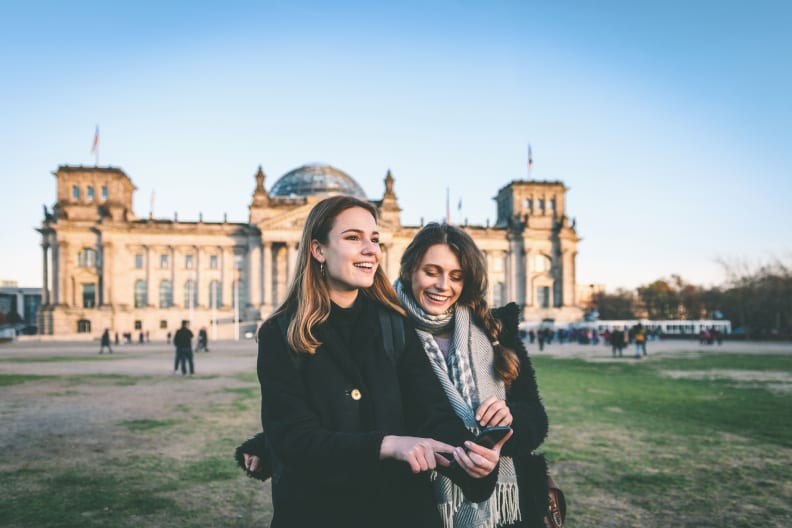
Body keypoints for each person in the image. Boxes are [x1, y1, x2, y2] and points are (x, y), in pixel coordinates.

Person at [251, 196, 503, 527]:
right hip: (318, 511)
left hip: (400, 511)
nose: (371, 249)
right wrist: (386, 445)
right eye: (353, 237)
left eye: (375, 239)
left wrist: (472, 456)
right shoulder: (280, 333)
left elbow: (431, 413)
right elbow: (293, 440)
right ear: (318, 250)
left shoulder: (394, 323)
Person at [395, 222, 551, 528]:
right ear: (411, 270)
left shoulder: (494, 328)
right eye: (431, 271)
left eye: (456, 276)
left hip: (507, 510)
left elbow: (536, 419)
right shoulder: (386, 331)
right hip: (419, 503)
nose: (443, 285)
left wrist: (508, 421)